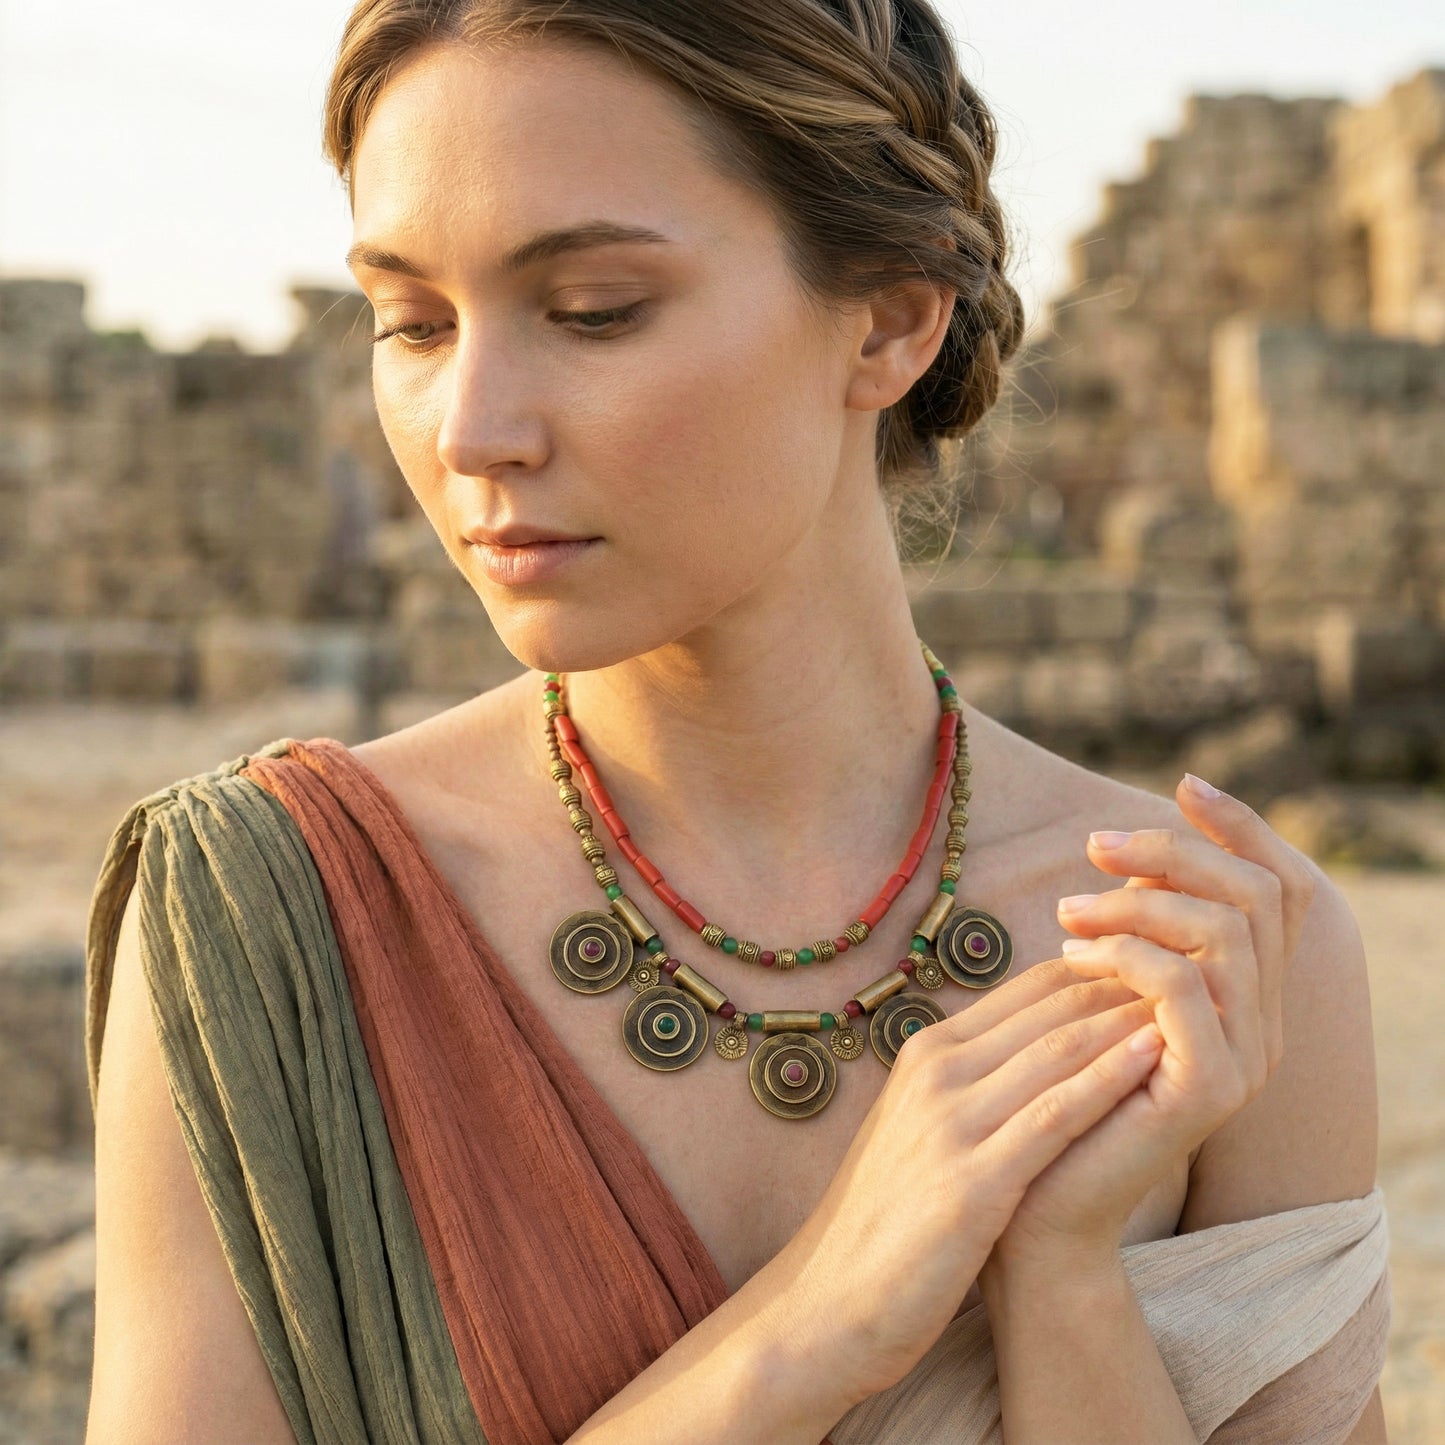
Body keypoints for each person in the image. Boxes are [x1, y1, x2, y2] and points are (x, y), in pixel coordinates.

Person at [82, 2, 1391, 1442]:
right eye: (412, 322)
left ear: (890, 316)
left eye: (592, 311)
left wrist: (1061, 1275)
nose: (469, 427)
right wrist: (811, 1323)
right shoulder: (262, 919)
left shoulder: (1210, 957)